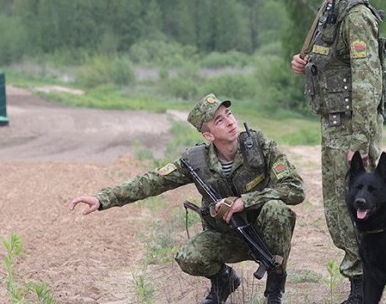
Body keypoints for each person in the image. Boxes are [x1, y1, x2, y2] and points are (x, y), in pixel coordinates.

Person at [69, 93, 305, 304]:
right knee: (189, 257)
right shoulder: (196, 162)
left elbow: (295, 188)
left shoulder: (259, 145)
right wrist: (103, 199)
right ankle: (224, 281)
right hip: (227, 236)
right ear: (208, 135)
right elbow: (152, 181)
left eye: (228, 114)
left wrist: (246, 200)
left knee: (277, 209)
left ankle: (274, 290)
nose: (230, 122)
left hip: (264, 233)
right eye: (219, 120)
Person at [280, 0, 386, 304]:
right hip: (335, 126)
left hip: (350, 131)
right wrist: (305, 64)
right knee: (341, 211)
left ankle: (366, 291)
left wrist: (359, 142)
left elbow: (366, 83)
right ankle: (360, 288)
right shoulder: (330, 11)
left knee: (359, 210)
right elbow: (334, 64)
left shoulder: (354, 15)